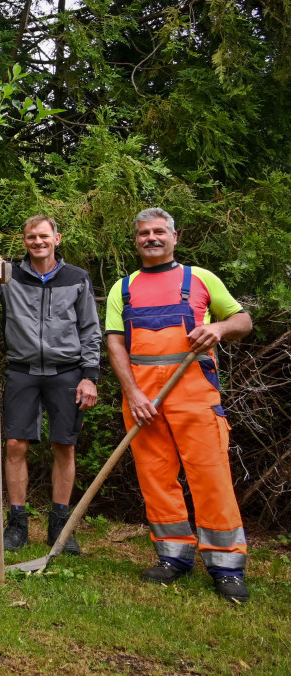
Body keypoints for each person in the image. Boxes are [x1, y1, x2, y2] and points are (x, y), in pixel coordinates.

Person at [106, 208, 253, 602]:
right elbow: (116, 344)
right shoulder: (123, 288)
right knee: (156, 478)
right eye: (143, 233)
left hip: (195, 396)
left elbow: (243, 321)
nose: (150, 238)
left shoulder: (200, 279)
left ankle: (226, 566)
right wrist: (133, 394)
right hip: (142, 401)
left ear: (174, 236)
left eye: (158, 232)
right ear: (136, 240)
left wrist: (219, 327)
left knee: (211, 478)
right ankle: (173, 558)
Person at [0, 215, 101, 554]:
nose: (37, 242)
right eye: (31, 237)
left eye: (44, 236)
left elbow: (90, 329)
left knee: (64, 446)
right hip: (23, 370)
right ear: (24, 240)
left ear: (57, 238)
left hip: (67, 372)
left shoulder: (77, 278)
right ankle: (17, 526)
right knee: (15, 445)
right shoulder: (8, 275)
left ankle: (60, 528)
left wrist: (90, 376)